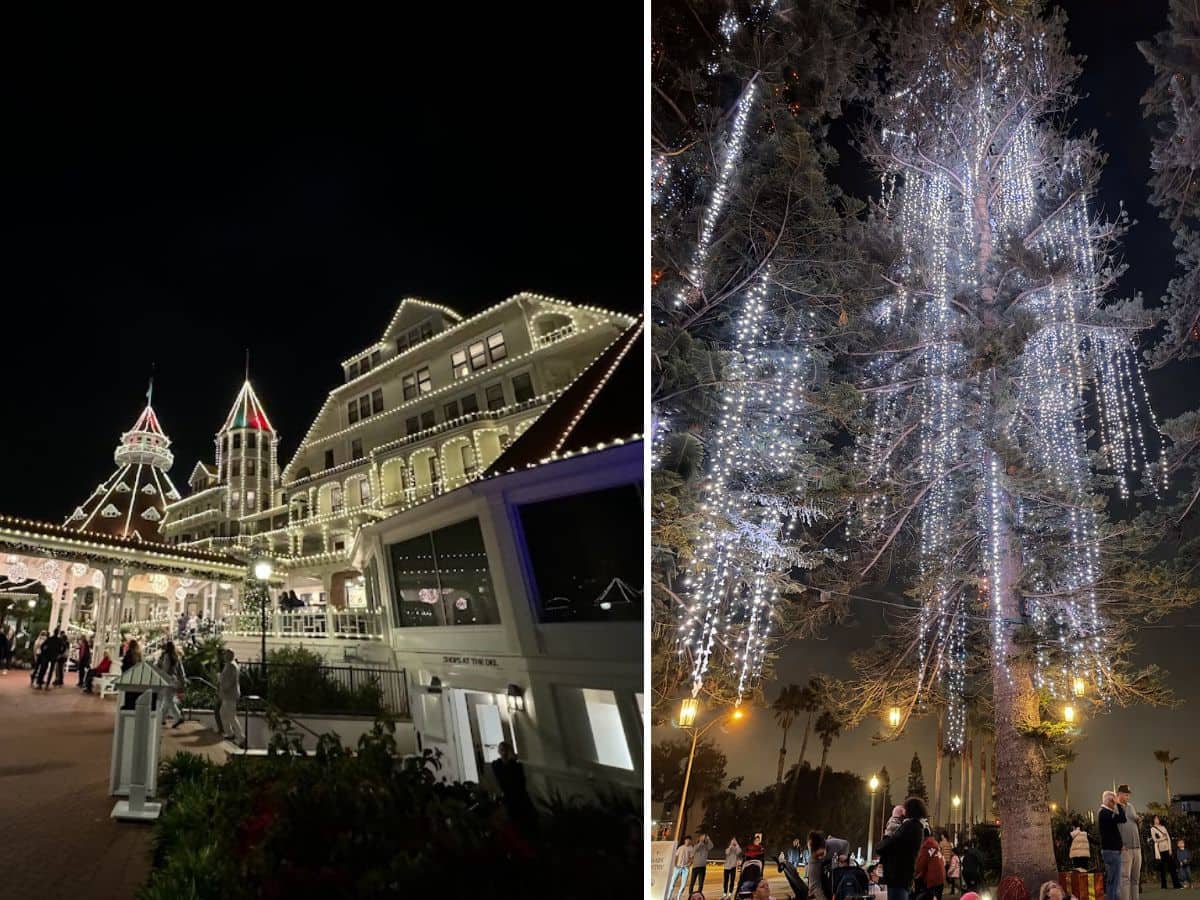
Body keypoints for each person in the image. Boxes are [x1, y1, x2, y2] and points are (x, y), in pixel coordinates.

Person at [877, 797, 928, 900]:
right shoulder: (918, 827)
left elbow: (890, 844)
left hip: (898, 875)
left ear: (910, 809)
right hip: (903, 875)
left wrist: (880, 845)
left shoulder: (909, 826)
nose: (903, 811)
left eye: (905, 808)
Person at [1116, 785, 1143, 900]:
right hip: (1125, 848)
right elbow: (1113, 828)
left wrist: (1139, 820)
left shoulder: (1131, 806)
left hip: (1137, 847)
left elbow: (1135, 821)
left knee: (1135, 879)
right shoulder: (1115, 807)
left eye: (1129, 794)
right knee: (1125, 879)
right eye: (1126, 794)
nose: (1128, 797)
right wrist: (1119, 844)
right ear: (1120, 794)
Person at [1099, 790, 1126, 900]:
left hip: (1111, 851)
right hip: (1112, 852)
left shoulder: (1104, 813)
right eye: (1113, 801)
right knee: (1114, 883)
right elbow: (1122, 819)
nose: (1114, 803)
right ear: (1110, 800)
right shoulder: (1105, 813)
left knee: (1112, 882)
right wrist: (1119, 804)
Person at [157, 642, 187, 728]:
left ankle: (178, 717)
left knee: (169, 701)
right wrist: (183, 680)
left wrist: (160, 673)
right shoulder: (177, 657)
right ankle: (162, 719)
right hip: (175, 681)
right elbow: (181, 671)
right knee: (167, 701)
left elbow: (165, 669)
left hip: (168, 681)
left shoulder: (167, 656)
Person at [218, 649, 244, 745]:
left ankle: (240, 737)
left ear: (230, 655)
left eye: (225, 654)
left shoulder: (232, 666)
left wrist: (223, 686)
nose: (224, 656)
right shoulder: (229, 665)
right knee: (223, 713)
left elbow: (230, 680)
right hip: (227, 695)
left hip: (230, 695)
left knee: (231, 716)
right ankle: (229, 733)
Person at [1151, 816, 1182, 890]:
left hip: (1167, 849)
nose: (1157, 820)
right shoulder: (1153, 829)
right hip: (1160, 850)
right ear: (1153, 820)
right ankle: (1163, 886)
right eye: (1155, 819)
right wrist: (1163, 838)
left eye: (1158, 819)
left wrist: (1170, 848)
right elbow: (1155, 840)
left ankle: (1176, 885)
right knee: (1162, 869)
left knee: (1172, 867)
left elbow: (1168, 838)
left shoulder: (1163, 827)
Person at [915, 832, 947, 900]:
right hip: (940, 877)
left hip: (932, 878)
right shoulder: (934, 842)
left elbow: (920, 864)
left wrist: (914, 874)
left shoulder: (927, 845)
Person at [689, 831, 714, 896]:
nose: (703, 838)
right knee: (692, 882)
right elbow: (695, 850)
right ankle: (690, 894)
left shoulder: (706, 847)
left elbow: (711, 846)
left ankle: (699, 894)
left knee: (701, 883)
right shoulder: (696, 846)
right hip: (695, 867)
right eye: (702, 837)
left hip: (702, 867)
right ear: (699, 838)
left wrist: (708, 839)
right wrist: (701, 841)